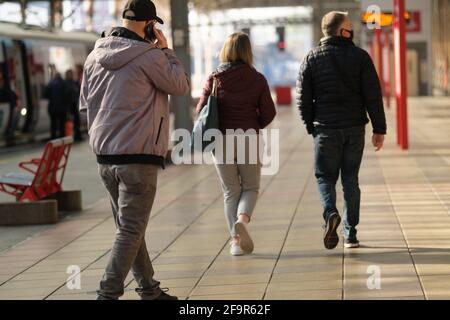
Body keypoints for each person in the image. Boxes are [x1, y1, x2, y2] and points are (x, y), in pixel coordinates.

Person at [79, 0, 190, 300]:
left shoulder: (94, 55)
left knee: (129, 228)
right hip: (138, 157)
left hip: (105, 158)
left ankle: (149, 289)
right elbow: (180, 85)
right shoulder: (150, 56)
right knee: (130, 230)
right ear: (149, 24)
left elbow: (84, 105)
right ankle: (107, 293)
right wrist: (166, 50)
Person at [297, 11, 387, 250]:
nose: (352, 30)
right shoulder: (360, 57)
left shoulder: (311, 58)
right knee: (350, 180)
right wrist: (379, 128)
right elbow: (373, 96)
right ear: (341, 31)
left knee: (324, 177)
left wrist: (310, 125)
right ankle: (351, 234)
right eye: (349, 27)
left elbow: (303, 99)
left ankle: (330, 214)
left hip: (325, 129)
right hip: (354, 128)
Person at [196, 32, 276, 256]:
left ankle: (236, 242)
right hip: (248, 137)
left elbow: (201, 110)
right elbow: (269, 112)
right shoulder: (257, 78)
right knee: (250, 187)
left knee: (231, 191)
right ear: (247, 51)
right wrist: (254, 122)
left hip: (220, 141)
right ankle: (243, 219)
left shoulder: (215, 78)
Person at [44, 72, 67, 139]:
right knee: (61, 124)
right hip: (62, 108)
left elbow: (45, 95)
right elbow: (67, 95)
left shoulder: (50, 84)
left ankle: (53, 137)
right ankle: (62, 138)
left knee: (53, 124)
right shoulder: (64, 83)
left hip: (52, 108)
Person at [64, 69, 83, 141]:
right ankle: (73, 136)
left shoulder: (74, 82)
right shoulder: (66, 83)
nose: (71, 75)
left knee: (76, 121)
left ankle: (77, 135)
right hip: (69, 106)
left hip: (74, 105)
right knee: (71, 122)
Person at [0, 72, 18, 145]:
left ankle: (10, 138)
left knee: (12, 123)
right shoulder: (8, 90)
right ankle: (10, 138)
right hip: (11, 108)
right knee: (12, 123)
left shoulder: (6, 90)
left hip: (10, 108)